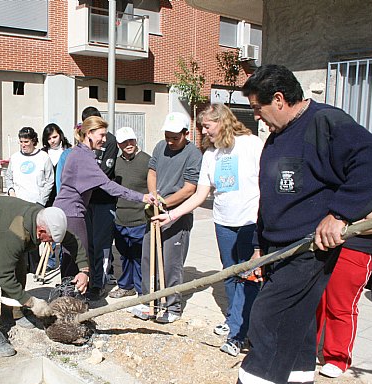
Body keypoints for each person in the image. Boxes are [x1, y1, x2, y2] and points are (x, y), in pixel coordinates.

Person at [221, 64, 372, 384]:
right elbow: (271, 199)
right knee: (298, 330)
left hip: (307, 252)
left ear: (279, 99)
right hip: (278, 252)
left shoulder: (326, 123)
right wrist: (261, 248)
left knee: (267, 323)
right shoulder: (278, 137)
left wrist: (340, 214)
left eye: (259, 109)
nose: (258, 118)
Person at [156, 104, 263, 354]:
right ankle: (235, 319)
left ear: (223, 121)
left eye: (207, 126)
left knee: (249, 275)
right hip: (224, 221)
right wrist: (171, 214)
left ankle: (239, 332)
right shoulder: (211, 154)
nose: (204, 131)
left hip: (250, 221)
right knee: (229, 273)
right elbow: (200, 194)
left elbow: (265, 182)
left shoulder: (251, 144)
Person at [0, 197, 90, 357]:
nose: (53, 244)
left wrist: (84, 271)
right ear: (41, 231)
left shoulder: (47, 220)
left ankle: (13, 312)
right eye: (51, 240)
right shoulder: (14, 234)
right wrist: (32, 302)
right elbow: (4, 278)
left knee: (19, 270)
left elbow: (72, 241)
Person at [53, 116, 155, 300]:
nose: (105, 140)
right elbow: (110, 186)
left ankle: (67, 303)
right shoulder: (83, 156)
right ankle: (70, 304)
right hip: (73, 213)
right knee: (77, 261)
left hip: (66, 210)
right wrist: (142, 197)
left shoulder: (78, 152)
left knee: (70, 259)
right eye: (102, 135)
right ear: (89, 133)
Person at [132, 112, 202, 324]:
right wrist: (154, 197)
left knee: (171, 263)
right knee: (148, 256)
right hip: (155, 211)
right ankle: (148, 301)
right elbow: (152, 172)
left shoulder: (194, 154)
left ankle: (173, 306)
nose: (170, 141)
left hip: (177, 215)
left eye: (175, 137)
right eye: (167, 136)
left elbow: (190, 188)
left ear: (185, 133)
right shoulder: (160, 147)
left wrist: (166, 203)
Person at [316, 205, 372, 378]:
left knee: (340, 306)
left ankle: (337, 357)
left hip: (354, 248)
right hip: (320, 246)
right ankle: (308, 348)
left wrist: (343, 226)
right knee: (315, 302)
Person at [82, 107, 119, 299]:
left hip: (104, 201)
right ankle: (87, 280)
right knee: (88, 243)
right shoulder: (82, 144)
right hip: (86, 201)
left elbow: (103, 172)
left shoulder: (109, 140)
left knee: (102, 244)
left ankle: (99, 283)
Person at [108, 127, 150, 299]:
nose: (128, 145)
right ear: (118, 144)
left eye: (131, 140)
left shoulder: (147, 160)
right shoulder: (115, 164)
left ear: (136, 140)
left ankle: (142, 290)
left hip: (140, 218)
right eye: (124, 142)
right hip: (120, 218)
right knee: (124, 256)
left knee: (140, 257)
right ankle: (126, 286)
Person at [5, 127, 54, 206]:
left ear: (33, 141)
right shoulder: (15, 157)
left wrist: (42, 201)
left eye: (26, 142)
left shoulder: (44, 157)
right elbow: (8, 177)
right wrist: (11, 191)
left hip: (36, 204)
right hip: (17, 203)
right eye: (21, 142)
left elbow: (50, 181)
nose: (23, 145)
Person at [41, 123, 72, 207]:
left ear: (60, 135)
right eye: (49, 138)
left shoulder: (69, 151)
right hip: (46, 196)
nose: (52, 141)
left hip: (63, 194)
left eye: (55, 137)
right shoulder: (42, 153)